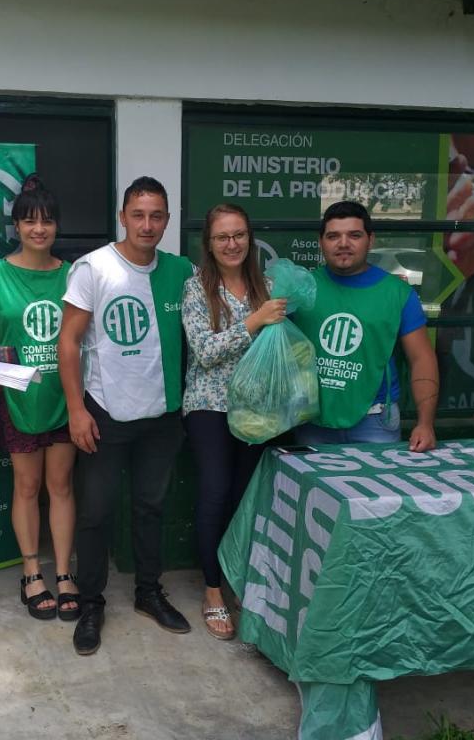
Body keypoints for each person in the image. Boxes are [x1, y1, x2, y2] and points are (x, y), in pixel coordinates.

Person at [58, 175, 195, 656]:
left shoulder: (181, 270)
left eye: (156, 216)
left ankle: (148, 592)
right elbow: (68, 343)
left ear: (167, 220)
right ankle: (91, 603)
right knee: (96, 512)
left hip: (162, 413)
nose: (147, 225)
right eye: (138, 215)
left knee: (151, 507)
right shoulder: (93, 268)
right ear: (122, 217)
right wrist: (76, 410)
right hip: (105, 411)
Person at [181, 204, 286, 640]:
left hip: (258, 410)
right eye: (222, 237)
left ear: (250, 238)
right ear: (209, 244)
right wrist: (254, 322)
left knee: (246, 499)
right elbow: (204, 352)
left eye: (239, 235)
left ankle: (236, 578)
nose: (232, 244)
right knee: (216, 491)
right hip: (210, 405)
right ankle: (212, 589)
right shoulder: (196, 288)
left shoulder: (268, 286)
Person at [0, 175, 79, 622]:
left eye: (47, 221)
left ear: (56, 226)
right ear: (16, 226)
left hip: (64, 395)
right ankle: (31, 571)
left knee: (61, 486)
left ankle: (65, 572)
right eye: (30, 221)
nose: (39, 229)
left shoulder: (72, 275)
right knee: (26, 486)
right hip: (18, 399)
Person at [291, 200, 438, 452]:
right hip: (311, 420)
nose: (343, 243)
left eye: (354, 235)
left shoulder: (397, 293)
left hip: (375, 421)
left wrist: (425, 423)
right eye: (333, 236)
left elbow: (421, 358)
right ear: (321, 242)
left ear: (370, 240)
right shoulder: (300, 290)